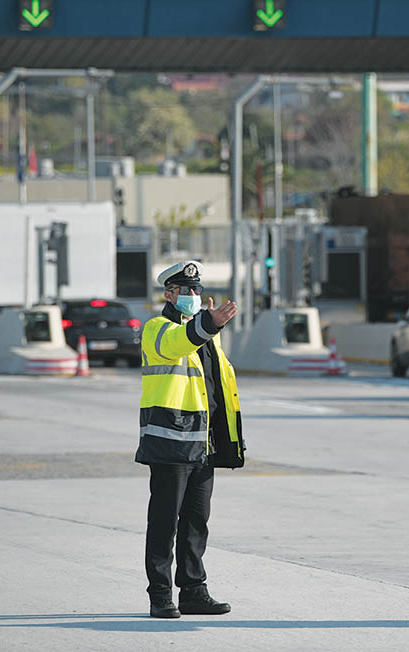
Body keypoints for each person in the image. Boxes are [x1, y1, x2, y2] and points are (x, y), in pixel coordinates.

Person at [136, 260, 245, 619]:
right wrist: (207, 325)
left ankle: (194, 591)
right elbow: (177, 344)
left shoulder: (207, 336)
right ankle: (161, 594)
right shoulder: (158, 328)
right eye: (187, 291)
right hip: (171, 441)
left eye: (197, 290)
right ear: (169, 294)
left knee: (197, 521)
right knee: (165, 520)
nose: (194, 296)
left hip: (204, 442)